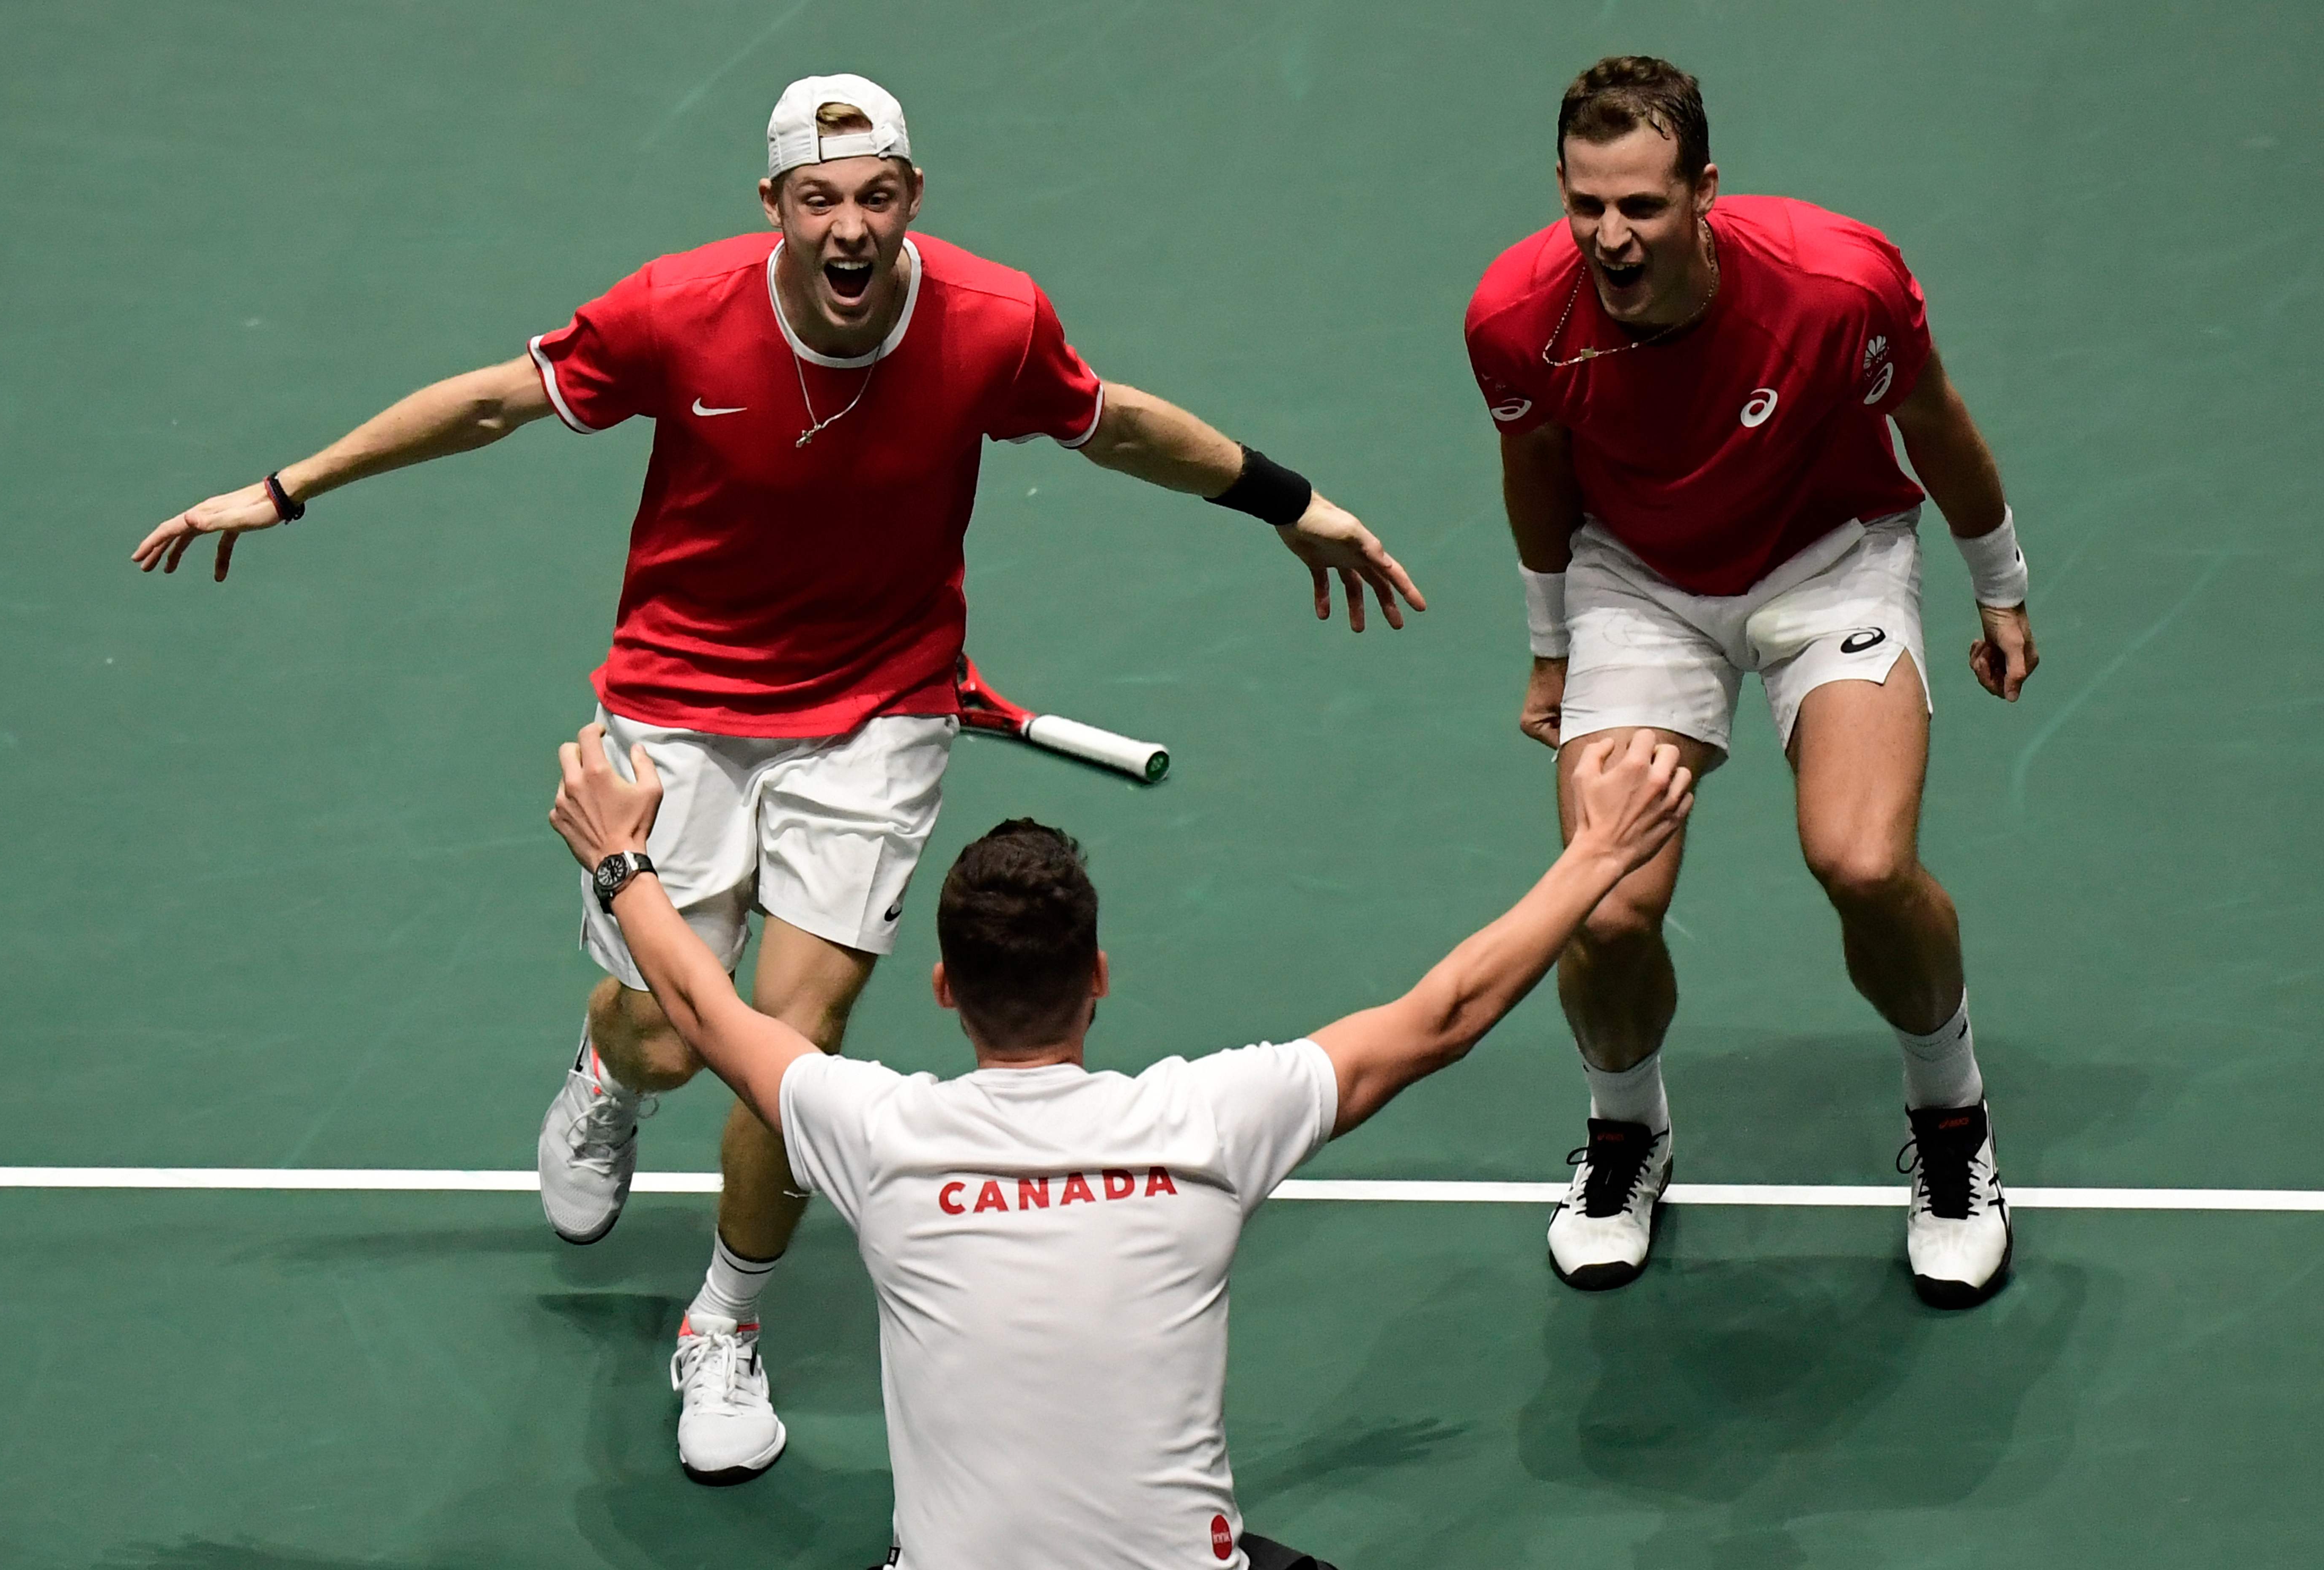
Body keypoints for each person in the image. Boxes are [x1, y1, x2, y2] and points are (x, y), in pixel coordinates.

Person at [132, 73, 1424, 1481]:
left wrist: (1293, 504)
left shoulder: (993, 320)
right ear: (775, 209)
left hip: (875, 715)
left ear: (913, 200)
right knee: (667, 1038)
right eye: (820, 200)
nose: (850, 227)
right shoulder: (674, 308)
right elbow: (497, 405)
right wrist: (287, 484)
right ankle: (608, 1078)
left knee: (790, 1058)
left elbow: (1114, 424)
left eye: (876, 197)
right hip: (677, 706)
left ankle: (725, 1321)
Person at [548, 716, 1692, 1570]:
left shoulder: (875, 1134)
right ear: (1098, 979)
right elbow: (1444, 1014)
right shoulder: (1209, 1122)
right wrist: (1598, 853)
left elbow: (703, 1009)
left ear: (945, 988)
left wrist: (621, 858)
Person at [1463, 57, 2039, 1308]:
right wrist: (1553, 639)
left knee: (1863, 862)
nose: (1611, 238)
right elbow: (1539, 471)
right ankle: (1628, 1133)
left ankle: (1952, 1122)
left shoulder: (1838, 286)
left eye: (1643, 207)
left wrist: (2000, 583)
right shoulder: (1517, 318)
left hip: (1832, 560)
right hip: (1638, 583)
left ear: (1705, 192)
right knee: (1605, 906)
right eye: (1587, 205)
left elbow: (1933, 423)